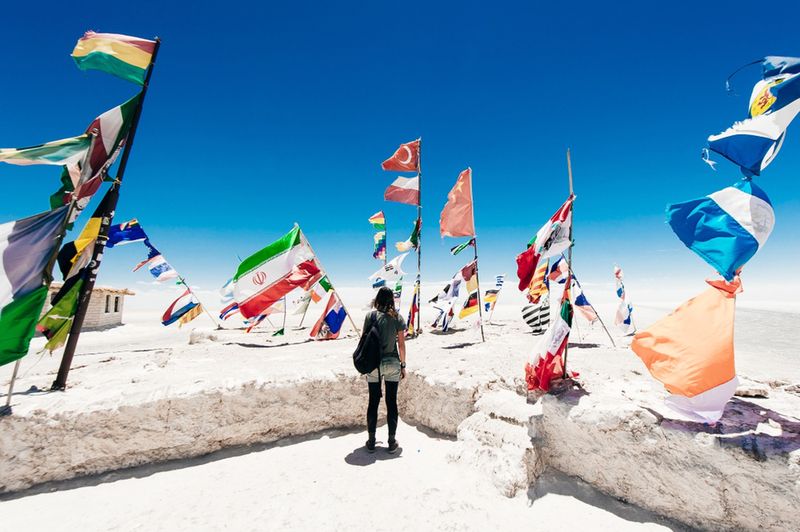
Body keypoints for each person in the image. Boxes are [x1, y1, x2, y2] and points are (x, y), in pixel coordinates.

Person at [363, 286, 407, 453]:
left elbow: (364, 340)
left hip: (373, 363)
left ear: (377, 299)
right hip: (392, 362)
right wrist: (403, 365)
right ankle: (391, 441)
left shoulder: (370, 316)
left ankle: (371, 441)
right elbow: (401, 344)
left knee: (373, 402)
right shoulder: (397, 317)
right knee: (391, 402)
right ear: (391, 300)